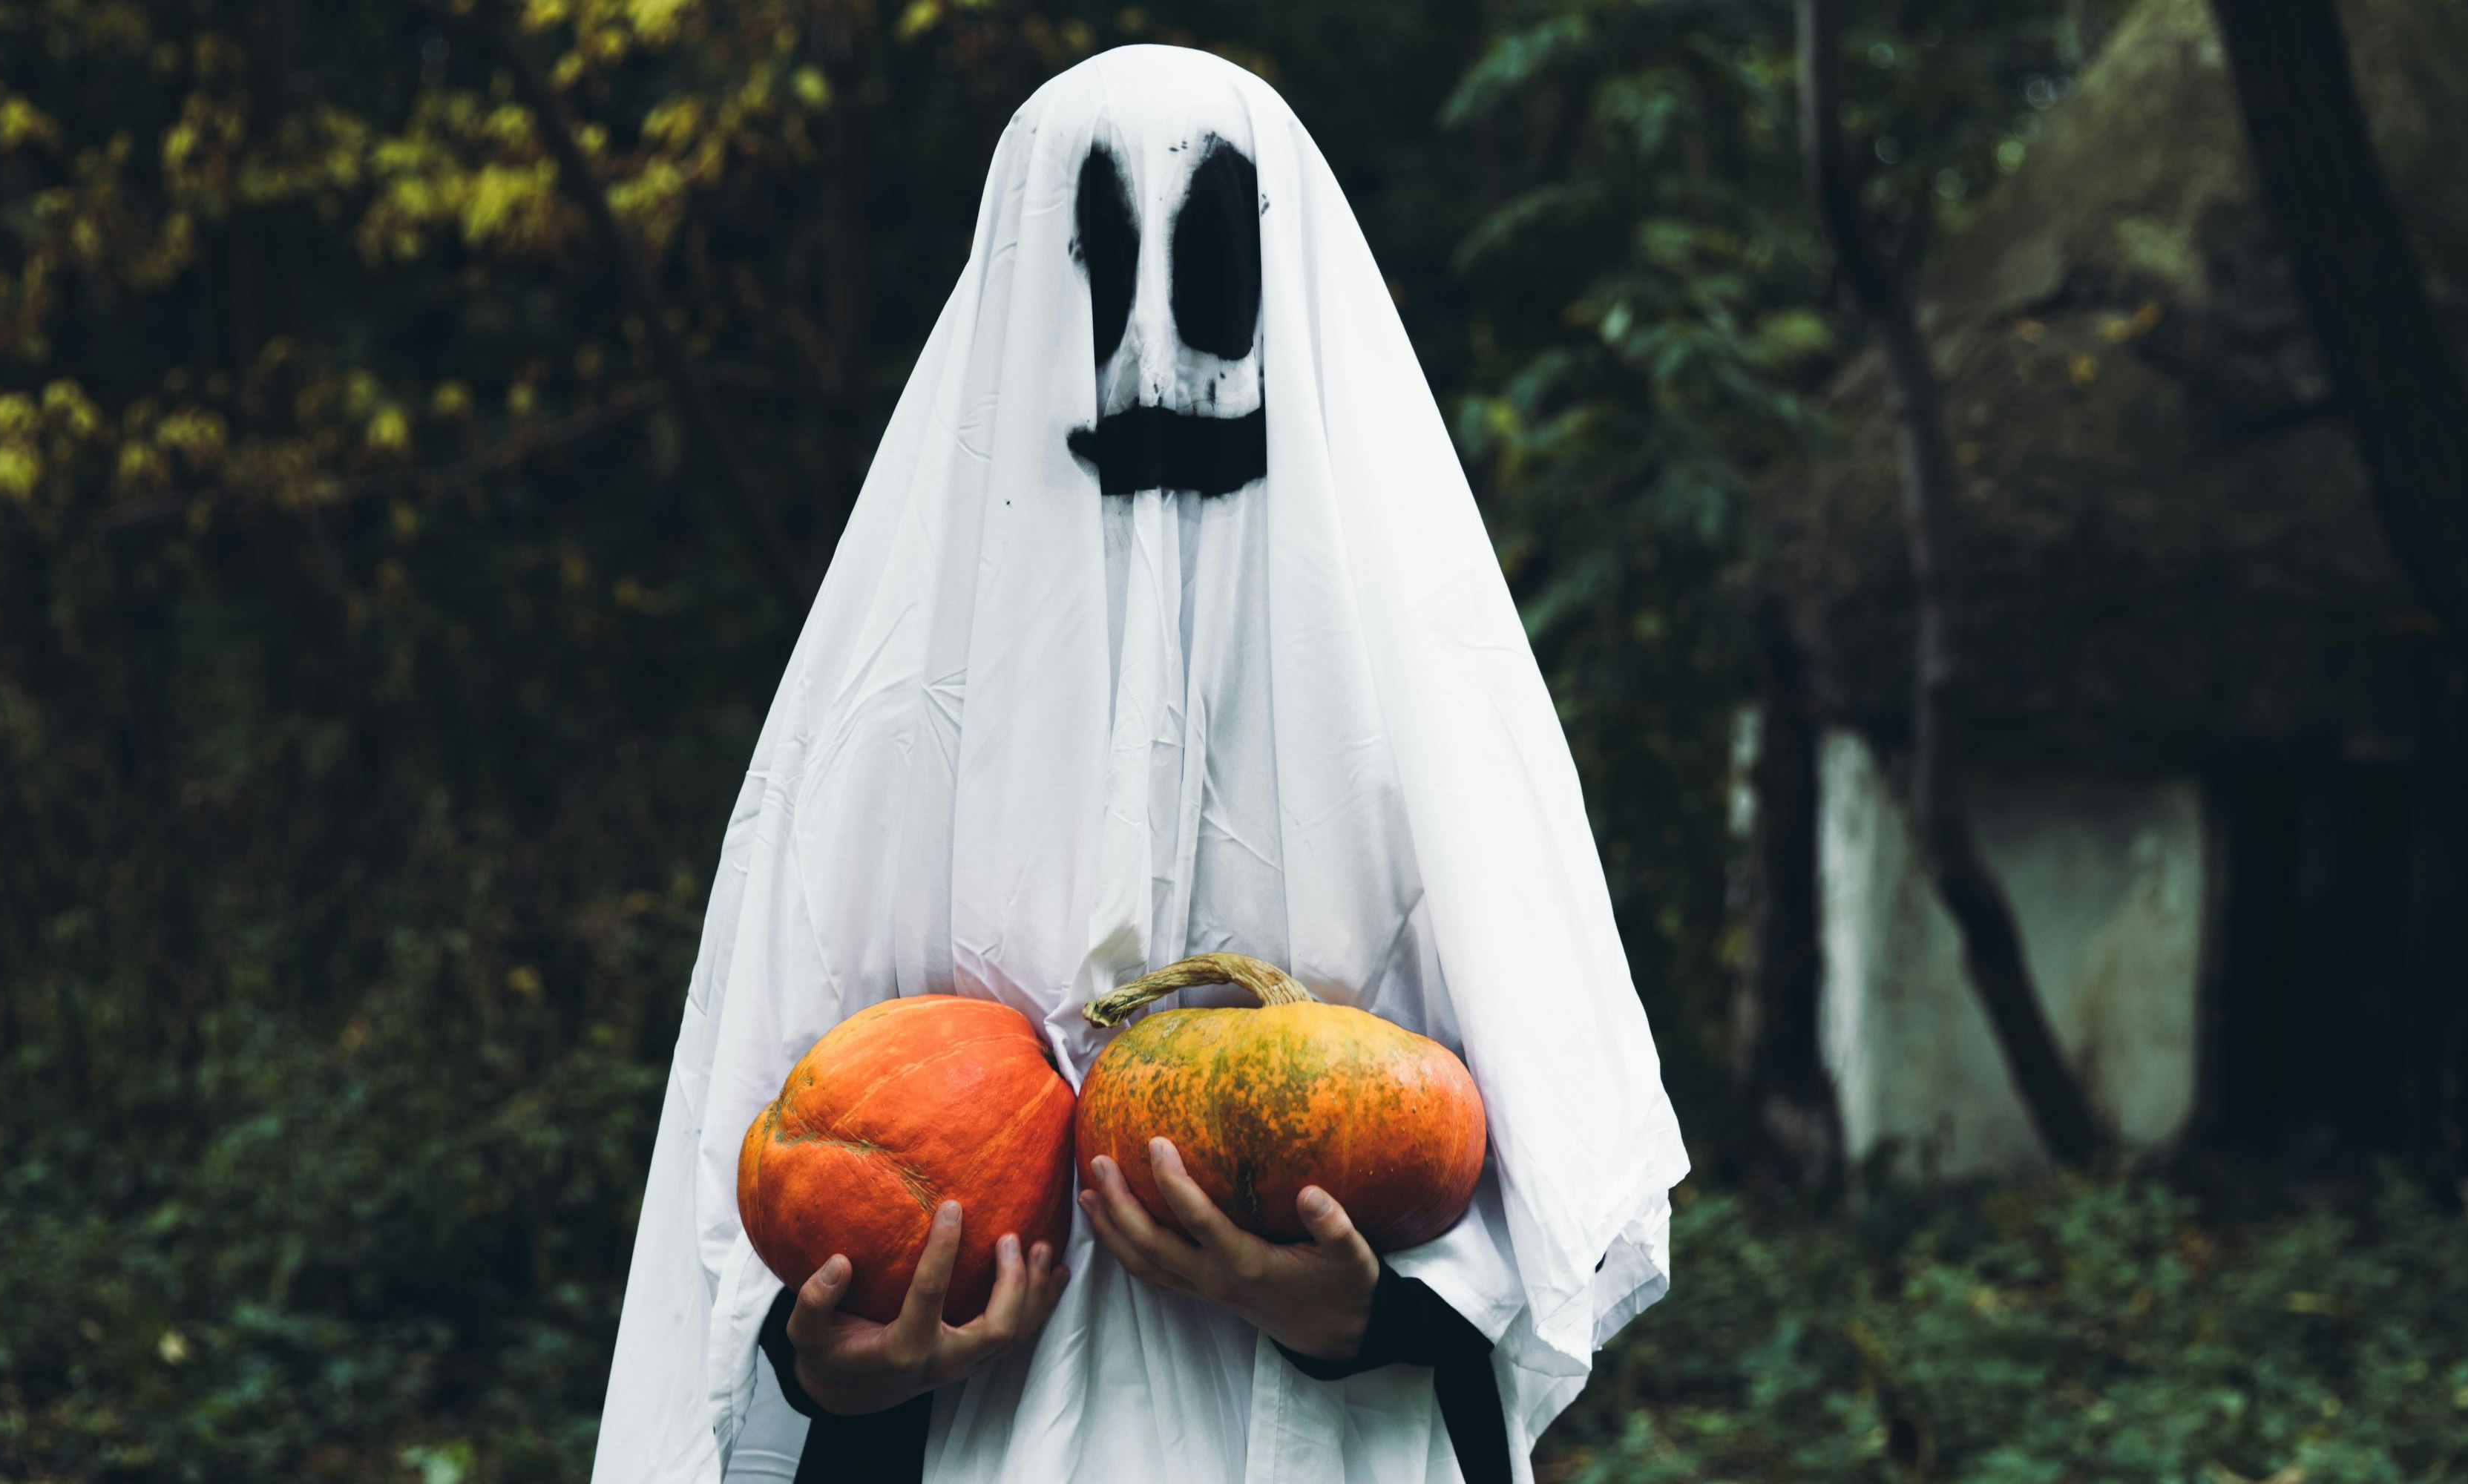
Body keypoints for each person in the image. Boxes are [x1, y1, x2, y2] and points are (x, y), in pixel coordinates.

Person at [591, 44, 1688, 1484]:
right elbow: (761, 1212)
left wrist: (1373, 1310)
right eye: (1102, 268)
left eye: (1212, 266)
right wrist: (835, 1363)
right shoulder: (886, 706)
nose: (1154, 350)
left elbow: (1550, 1147)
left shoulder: (1418, 686)